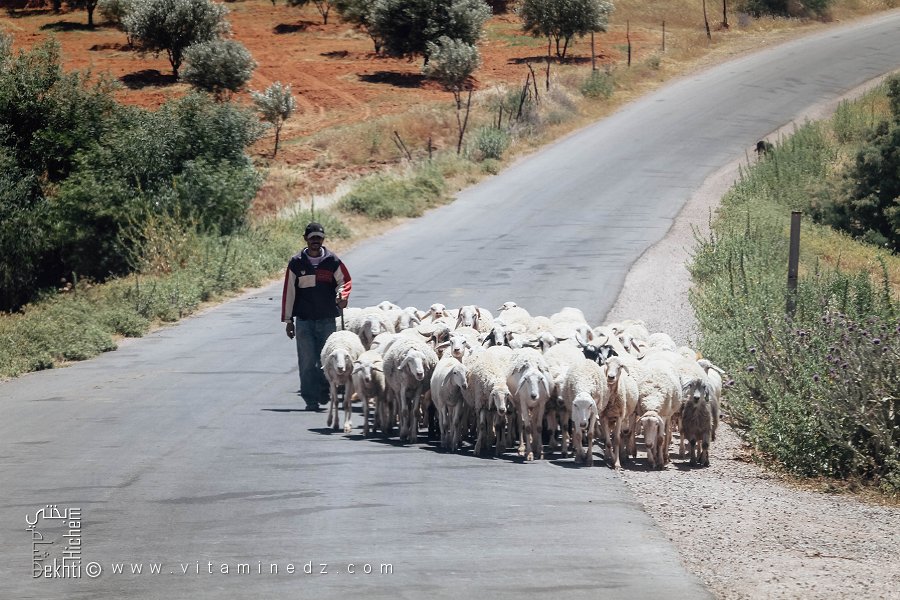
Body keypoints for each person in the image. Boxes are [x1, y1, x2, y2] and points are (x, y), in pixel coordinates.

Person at [281, 222, 351, 411]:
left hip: (327, 319)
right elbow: (289, 293)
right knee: (306, 362)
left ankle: (324, 391)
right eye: (312, 238)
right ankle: (310, 399)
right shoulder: (296, 263)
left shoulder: (332, 261)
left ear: (323, 239)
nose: (315, 241)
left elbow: (344, 281)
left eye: (319, 238)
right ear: (305, 239)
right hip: (304, 321)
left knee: (326, 360)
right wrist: (288, 321)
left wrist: (342, 296)